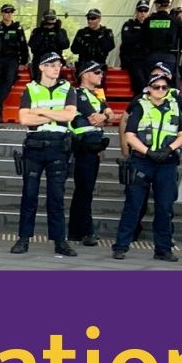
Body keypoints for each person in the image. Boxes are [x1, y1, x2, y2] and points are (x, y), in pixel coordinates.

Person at [112, 74, 182, 261]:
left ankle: (163, 249)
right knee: (133, 205)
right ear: (149, 88)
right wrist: (148, 152)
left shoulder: (174, 107)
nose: (160, 90)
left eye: (164, 87)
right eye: (156, 87)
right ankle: (121, 246)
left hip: (166, 162)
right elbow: (130, 134)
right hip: (142, 160)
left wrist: (169, 149)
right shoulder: (141, 105)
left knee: (164, 207)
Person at [14, 52, 78, 255]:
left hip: (58, 146)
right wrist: (54, 115)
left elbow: (69, 115)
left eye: (58, 64)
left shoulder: (68, 88)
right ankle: (23, 239)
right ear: (41, 67)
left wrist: (41, 112)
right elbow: (24, 119)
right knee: (29, 195)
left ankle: (60, 241)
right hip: (34, 146)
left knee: (56, 197)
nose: (56, 68)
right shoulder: (31, 88)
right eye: (51, 65)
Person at [65, 61, 118, 247]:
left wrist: (105, 117)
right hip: (82, 148)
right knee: (84, 190)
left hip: (93, 148)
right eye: (96, 72)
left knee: (84, 190)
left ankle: (76, 231)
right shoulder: (78, 94)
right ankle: (86, 231)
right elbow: (94, 118)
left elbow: (112, 116)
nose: (100, 75)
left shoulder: (96, 95)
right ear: (84, 75)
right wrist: (105, 117)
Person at [142, 0, 181, 80]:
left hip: (152, 56)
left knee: (152, 81)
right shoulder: (175, 21)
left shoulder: (148, 21)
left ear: (157, 6)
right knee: (168, 81)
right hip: (169, 56)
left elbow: (142, 38)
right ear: (168, 5)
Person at [71, 9, 116, 78]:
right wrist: (84, 43)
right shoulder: (82, 32)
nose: (90, 21)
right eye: (88, 18)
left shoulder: (106, 32)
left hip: (99, 66)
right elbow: (74, 49)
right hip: (84, 66)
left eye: (93, 18)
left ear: (99, 19)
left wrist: (99, 39)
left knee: (98, 88)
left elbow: (109, 46)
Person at [119, 2, 150, 99]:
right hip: (133, 59)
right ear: (136, 12)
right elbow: (127, 40)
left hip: (147, 59)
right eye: (141, 10)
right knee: (140, 83)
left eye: (145, 11)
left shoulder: (151, 25)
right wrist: (143, 33)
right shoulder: (129, 25)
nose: (143, 13)